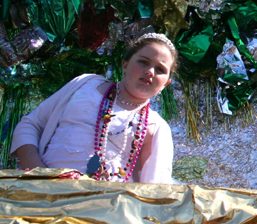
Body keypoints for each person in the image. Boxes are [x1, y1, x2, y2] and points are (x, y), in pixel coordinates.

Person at [10, 33, 178, 183]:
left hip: (105, 204)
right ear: (125, 65)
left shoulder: (156, 126)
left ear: (166, 84)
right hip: (44, 194)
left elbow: (154, 189)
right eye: (143, 62)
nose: (150, 71)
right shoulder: (85, 84)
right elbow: (30, 125)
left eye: (160, 69)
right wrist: (38, 172)